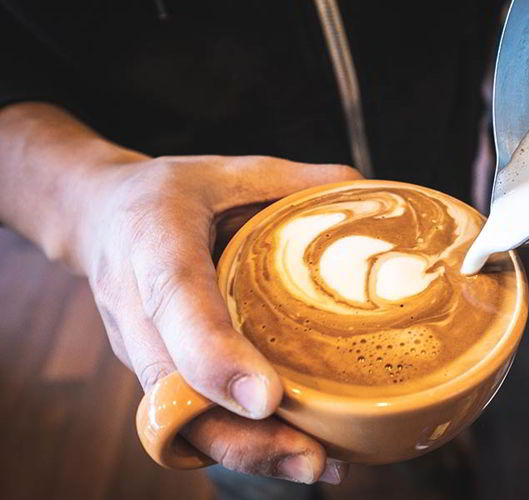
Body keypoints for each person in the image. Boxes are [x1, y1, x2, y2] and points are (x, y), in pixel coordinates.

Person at [0, 1, 503, 495]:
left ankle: (433, 458)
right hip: (192, 272)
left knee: (443, 439)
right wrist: (94, 197)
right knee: (256, 459)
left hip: (445, 211)